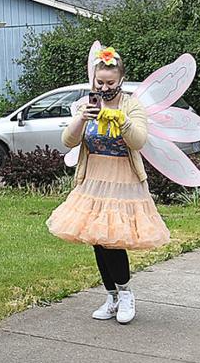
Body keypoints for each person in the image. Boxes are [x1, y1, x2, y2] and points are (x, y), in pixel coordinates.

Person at [47, 46, 168, 324]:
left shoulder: (132, 105)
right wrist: (81, 118)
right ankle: (111, 295)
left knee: (114, 240)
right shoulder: (85, 104)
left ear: (121, 80)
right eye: (99, 83)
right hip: (93, 181)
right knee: (98, 240)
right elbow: (69, 141)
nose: (104, 88)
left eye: (110, 83)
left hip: (123, 180)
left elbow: (139, 141)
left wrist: (122, 121)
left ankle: (126, 294)